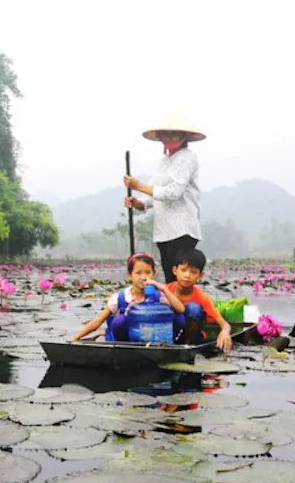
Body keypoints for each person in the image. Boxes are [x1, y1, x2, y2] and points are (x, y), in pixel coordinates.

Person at [123, 109, 204, 284]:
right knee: (170, 279)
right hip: (163, 231)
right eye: (165, 133)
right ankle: (171, 302)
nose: (169, 137)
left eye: (174, 133)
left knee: (181, 279)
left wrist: (138, 186)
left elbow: (173, 192)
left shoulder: (187, 158)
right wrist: (139, 202)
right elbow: (153, 193)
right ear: (159, 136)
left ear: (184, 135)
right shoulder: (164, 161)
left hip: (182, 229)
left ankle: (185, 303)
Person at [71, 253, 185, 342]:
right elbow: (98, 321)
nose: (143, 277)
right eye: (138, 273)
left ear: (154, 274)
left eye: (148, 273)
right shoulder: (121, 297)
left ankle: (171, 345)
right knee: (119, 321)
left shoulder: (159, 296)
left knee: (179, 318)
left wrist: (163, 288)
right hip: (126, 341)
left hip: (152, 338)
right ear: (129, 275)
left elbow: (180, 309)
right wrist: (76, 338)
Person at [167, 248, 233, 352]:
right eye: (183, 270)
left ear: (200, 275)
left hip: (192, 339)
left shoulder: (202, 298)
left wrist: (225, 332)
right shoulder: (165, 290)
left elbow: (224, 324)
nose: (187, 275)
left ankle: (185, 347)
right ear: (175, 270)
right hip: (168, 334)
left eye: (193, 272)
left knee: (194, 308)